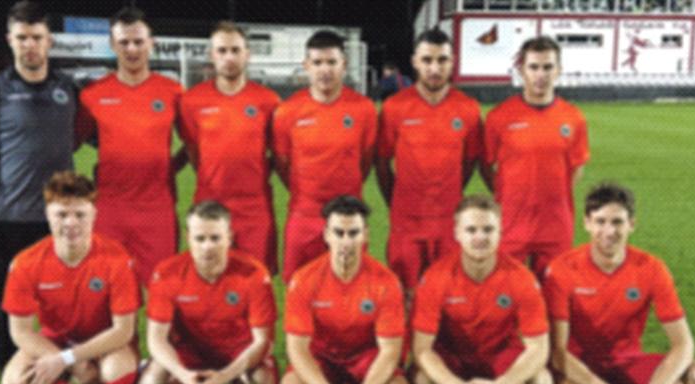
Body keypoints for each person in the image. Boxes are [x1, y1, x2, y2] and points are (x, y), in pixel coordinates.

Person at [0, 0, 77, 381]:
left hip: (64, 222)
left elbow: (96, 136)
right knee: (11, 310)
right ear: (10, 40)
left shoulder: (68, 89)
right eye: (22, 37)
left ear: (49, 40)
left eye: (37, 37)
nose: (30, 46)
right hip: (12, 219)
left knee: (67, 307)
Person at [544, 183, 695, 384]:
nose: (609, 231)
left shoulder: (651, 268)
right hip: (580, 365)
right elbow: (558, 352)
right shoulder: (562, 270)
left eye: (617, 222)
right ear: (587, 223)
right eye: (600, 221)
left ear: (631, 224)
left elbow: (683, 344)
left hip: (627, 362)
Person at [0, 171, 141, 384]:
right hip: (55, 341)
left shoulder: (118, 259)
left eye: (80, 214)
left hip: (107, 342)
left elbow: (123, 331)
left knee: (117, 372)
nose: (71, 223)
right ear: (48, 215)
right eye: (61, 214)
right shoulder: (25, 263)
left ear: (94, 214)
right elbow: (21, 332)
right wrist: (68, 360)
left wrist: (69, 359)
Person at [412, 195, 553, 384]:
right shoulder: (436, 278)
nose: (480, 237)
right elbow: (422, 350)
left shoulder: (521, 278)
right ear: (457, 233)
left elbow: (538, 348)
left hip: (499, 355)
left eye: (488, 229)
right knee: (420, 382)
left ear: (500, 232)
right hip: (453, 357)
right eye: (471, 230)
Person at [137, 201, 278, 384]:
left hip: (238, 352)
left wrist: (223, 377)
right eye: (200, 239)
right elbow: (156, 338)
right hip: (189, 353)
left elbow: (264, 342)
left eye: (215, 238)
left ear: (229, 236)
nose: (207, 247)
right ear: (188, 237)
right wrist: (184, 377)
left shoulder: (253, 273)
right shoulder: (167, 273)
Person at [279, 196, 410, 384]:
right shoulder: (303, 280)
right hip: (321, 357)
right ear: (327, 235)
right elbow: (297, 349)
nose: (346, 241)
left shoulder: (386, 282)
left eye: (354, 233)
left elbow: (389, 352)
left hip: (366, 358)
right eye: (339, 233)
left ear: (366, 235)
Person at [77, 6, 185, 284]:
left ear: (152, 43)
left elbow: (198, 144)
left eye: (138, 41)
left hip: (157, 210)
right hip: (109, 209)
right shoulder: (93, 95)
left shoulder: (173, 92)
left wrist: (170, 168)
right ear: (112, 45)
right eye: (124, 42)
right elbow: (66, 143)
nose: (132, 49)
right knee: (110, 292)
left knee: (161, 293)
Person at [376, 28, 483, 293]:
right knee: (405, 297)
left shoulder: (468, 108)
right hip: (406, 222)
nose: (434, 68)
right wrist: (397, 201)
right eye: (427, 60)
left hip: (449, 222)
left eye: (442, 60)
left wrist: (450, 193)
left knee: (449, 296)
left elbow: (470, 162)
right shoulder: (395, 108)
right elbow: (381, 162)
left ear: (453, 61)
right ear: (414, 61)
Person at [273, 30, 378, 282]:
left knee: (350, 287)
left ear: (344, 65)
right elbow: (282, 163)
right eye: (318, 63)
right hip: (303, 215)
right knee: (298, 287)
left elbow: (365, 160)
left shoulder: (363, 110)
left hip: (348, 218)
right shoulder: (288, 112)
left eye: (332, 62)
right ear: (306, 66)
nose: (325, 70)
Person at [482, 36, 589, 279]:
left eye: (548, 67)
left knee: (555, 297)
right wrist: (504, 194)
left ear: (558, 70)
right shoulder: (499, 117)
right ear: (522, 70)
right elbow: (486, 164)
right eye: (534, 67)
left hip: (555, 225)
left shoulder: (573, 118)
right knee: (507, 295)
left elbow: (577, 167)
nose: (541, 74)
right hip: (512, 222)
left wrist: (553, 196)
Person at [179, 21, 280, 274]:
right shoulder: (192, 101)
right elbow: (193, 150)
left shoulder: (268, 101)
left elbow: (278, 154)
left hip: (254, 206)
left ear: (248, 54)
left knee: (256, 278)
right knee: (209, 279)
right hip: (209, 201)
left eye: (236, 50)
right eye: (222, 51)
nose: (229, 57)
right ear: (212, 55)